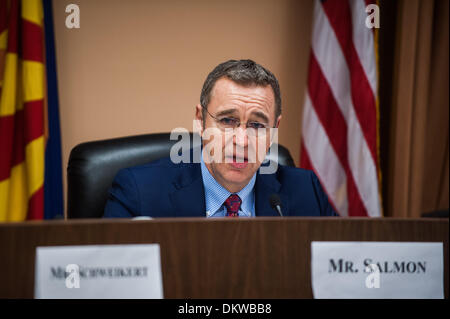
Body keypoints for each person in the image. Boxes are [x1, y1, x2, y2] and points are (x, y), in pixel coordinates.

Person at [103, 59, 337, 218]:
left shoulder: (307, 192)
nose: (242, 141)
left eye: (257, 125)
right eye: (227, 121)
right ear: (200, 120)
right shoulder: (140, 192)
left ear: (274, 128)